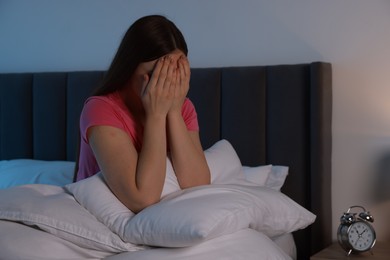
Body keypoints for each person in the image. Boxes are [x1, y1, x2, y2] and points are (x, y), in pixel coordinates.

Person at [73, 15, 211, 213]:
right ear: (130, 68)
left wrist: (172, 111)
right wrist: (156, 115)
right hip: (96, 218)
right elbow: (142, 198)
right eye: (157, 74)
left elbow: (198, 184)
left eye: (174, 73)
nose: (166, 84)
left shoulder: (183, 107)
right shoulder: (100, 109)